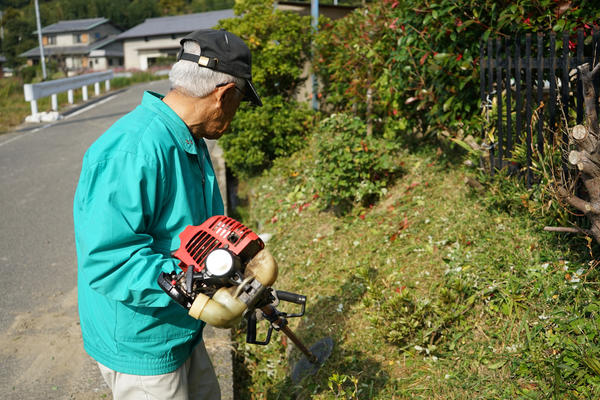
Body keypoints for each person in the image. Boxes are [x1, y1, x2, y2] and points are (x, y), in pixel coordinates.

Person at [73, 29, 261, 400]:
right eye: (240, 102)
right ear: (224, 95)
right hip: (142, 339)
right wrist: (199, 284)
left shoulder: (187, 138)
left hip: (180, 327)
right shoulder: (132, 151)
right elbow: (109, 260)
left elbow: (198, 233)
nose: (236, 115)